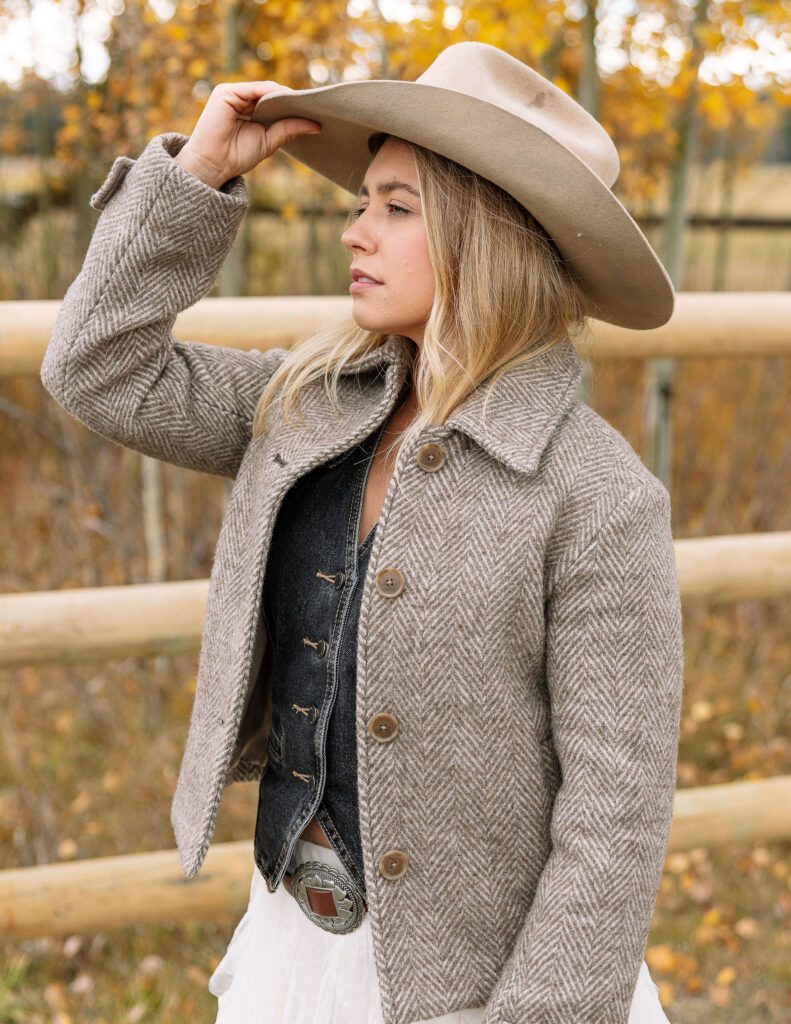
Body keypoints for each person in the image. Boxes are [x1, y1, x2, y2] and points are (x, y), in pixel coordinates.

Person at [40, 41, 684, 1024]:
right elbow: (95, 366)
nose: (355, 231)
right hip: (298, 957)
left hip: (492, 985)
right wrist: (195, 179)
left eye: (395, 207)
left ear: (489, 237)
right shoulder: (301, 407)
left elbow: (613, 814)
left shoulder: (595, 496)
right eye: (360, 201)